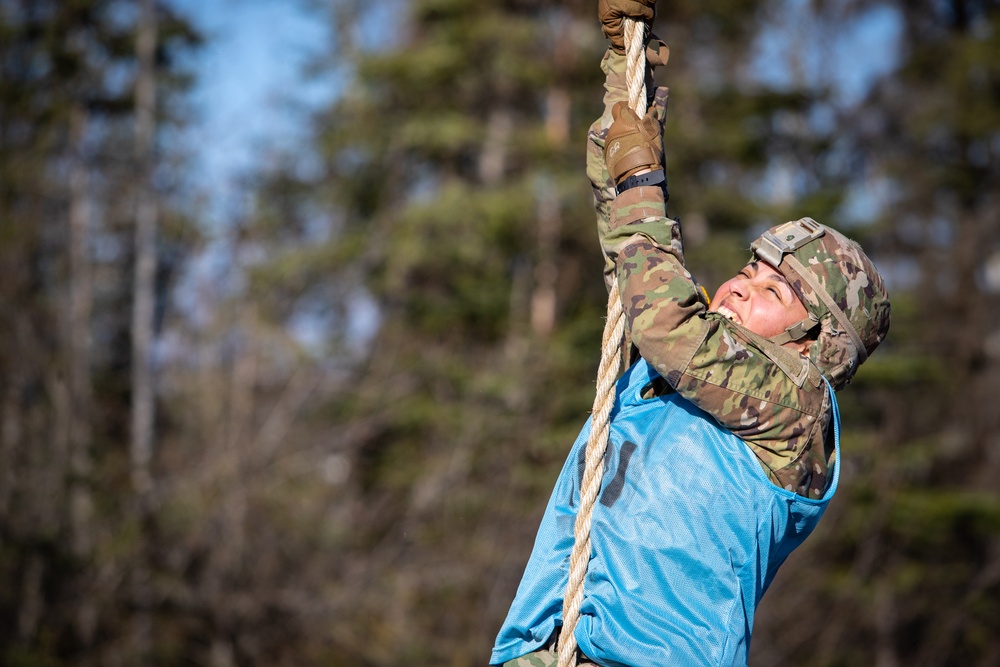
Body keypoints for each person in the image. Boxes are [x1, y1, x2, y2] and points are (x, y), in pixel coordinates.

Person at [490, 1, 891, 666]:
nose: (736, 286)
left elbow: (667, 316)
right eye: (745, 271)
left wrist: (643, 181)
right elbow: (634, 251)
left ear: (813, 342)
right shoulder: (666, 369)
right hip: (544, 647)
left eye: (772, 292)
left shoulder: (797, 411)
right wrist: (627, 76)